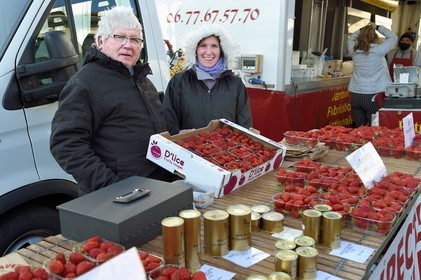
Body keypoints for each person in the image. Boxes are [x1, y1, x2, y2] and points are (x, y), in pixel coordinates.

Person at [50, 6, 167, 196]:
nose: (128, 45)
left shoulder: (142, 80)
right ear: (100, 41)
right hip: (121, 199)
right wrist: (112, 187)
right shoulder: (85, 84)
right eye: (119, 37)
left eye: (135, 39)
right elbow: (65, 144)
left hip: (153, 190)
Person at [163, 24, 253, 135]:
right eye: (203, 46)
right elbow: (168, 121)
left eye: (214, 46)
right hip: (188, 148)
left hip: (225, 151)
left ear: (222, 50)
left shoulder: (235, 84)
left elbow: (244, 126)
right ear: (195, 50)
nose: (209, 52)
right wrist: (178, 134)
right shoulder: (179, 82)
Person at [347, 22, 397, 128]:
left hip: (355, 96)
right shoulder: (379, 51)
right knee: (374, 131)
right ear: (376, 40)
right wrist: (378, 27)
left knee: (359, 130)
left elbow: (350, 39)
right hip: (372, 97)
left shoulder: (354, 51)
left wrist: (362, 30)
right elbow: (393, 37)